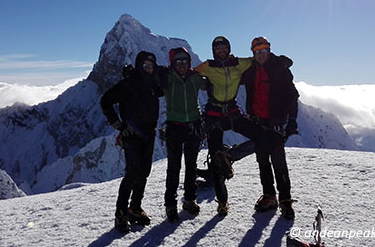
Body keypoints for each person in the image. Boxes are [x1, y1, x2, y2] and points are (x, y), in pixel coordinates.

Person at [194, 36, 264, 216]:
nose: (221, 50)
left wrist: (278, 61)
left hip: (232, 111)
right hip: (214, 114)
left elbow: (258, 59)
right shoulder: (208, 66)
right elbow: (187, 73)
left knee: (260, 138)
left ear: (228, 48)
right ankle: (222, 202)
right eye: (218, 48)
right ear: (213, 51)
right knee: (216, 162)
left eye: (224, 47)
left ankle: (229, 155)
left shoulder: (239, 63)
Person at [100, 51, 164, 233]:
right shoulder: (126, 84)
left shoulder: (153, 84)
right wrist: (118, 125)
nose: (149, 69)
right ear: (138, 66)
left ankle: (134, 208)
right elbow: (105, 101)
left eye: (151, 66)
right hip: (131, 136)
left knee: (143, 173)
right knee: (131, 174)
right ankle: (120, 214)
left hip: (149, 135)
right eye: (145, 66)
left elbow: (165, 84)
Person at [240, 37, 299, 220]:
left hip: (275, 125)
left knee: (279, 163)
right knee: (263, 162)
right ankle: (269, 196)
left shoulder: (279, 69)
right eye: (257, 52)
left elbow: (292, 96)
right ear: (253, 54)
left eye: (264, 51)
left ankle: (286, 201)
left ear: (269, 51)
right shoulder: (250, 70)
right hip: (258, 124)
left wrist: (292, 120)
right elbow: (232, 77)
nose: (261, 55)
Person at [159, 47, 206, 223]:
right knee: (174, 168)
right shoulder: (167, 78)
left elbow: (211, 82)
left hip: (193, 126)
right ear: (172, 63)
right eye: (178, 62)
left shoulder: (195, 78)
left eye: (184, 61)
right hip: (174, 127)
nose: (182, 65)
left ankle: (189, 199)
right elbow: (146, 77)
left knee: (191, 166)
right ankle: (170, 205)